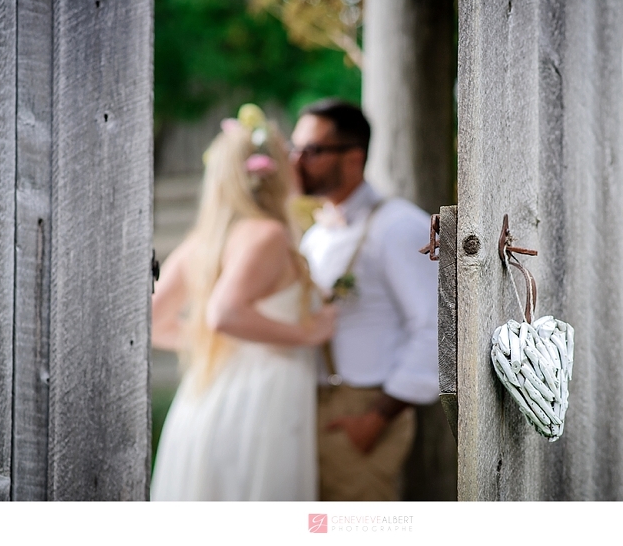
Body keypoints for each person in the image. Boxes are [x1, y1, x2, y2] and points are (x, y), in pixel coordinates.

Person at [150, 104, 336, 501]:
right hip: (258, 405)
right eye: (289, 154)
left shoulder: (205, 239)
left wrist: (226, 343)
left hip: (207, 400)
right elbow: (225, 313)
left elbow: (152, 322)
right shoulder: (266, 234)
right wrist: (306, 333)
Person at [291, 99, 439, 501]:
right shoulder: (315, 236)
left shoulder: (399, 226)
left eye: (311, 151)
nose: (296, 161)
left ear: (353, 158)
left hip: (364, 409)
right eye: (294, 149)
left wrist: (376, 419)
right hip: (311, 409)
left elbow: (434, 328)